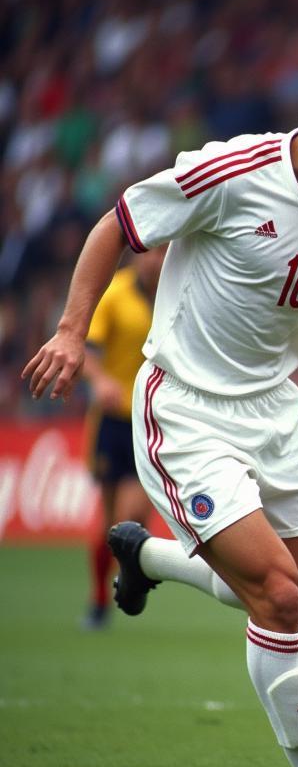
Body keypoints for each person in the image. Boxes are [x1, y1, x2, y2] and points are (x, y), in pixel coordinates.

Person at [23, 34, 298, 767]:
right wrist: (72, 331)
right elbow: (117, 224)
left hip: (275, 416)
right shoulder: (231, 172)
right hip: (185, 409)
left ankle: (146, 557)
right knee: (277, 597)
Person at [79, 246, 166, 630]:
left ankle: (128, 576)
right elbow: (87, 349)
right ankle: (99, 599)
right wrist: (99, 382)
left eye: (164, 252)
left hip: (155, 420)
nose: (156, 260)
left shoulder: (179, 291)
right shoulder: (114, 294)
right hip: (113, 421)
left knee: (133, 516)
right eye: (150, 252)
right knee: (109, 524)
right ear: (136, 256)